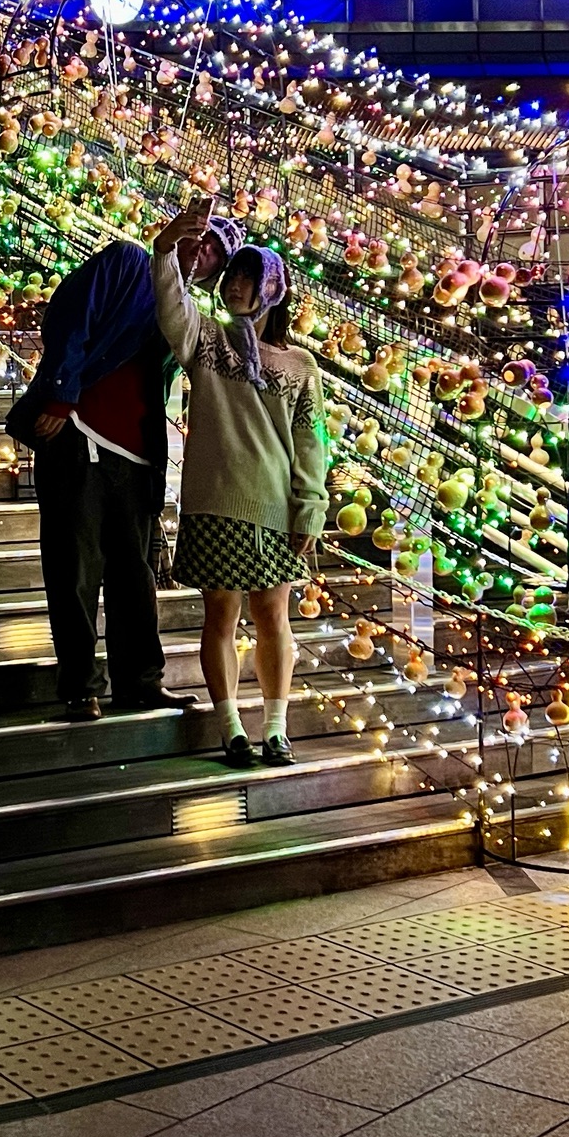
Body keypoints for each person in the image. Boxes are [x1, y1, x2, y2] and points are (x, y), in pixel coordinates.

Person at [7, 214, 243, 721]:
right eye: (202, 241)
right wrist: (61, 394)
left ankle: (140, 682)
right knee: (74, 567)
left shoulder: (184, 310)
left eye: (216, 256)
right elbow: (70, 317)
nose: (204, 254)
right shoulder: (129, 261)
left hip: (138, 455)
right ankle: (80, 686)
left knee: (135, 575)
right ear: (180, 233)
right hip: (79, 436)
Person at [153, 198, 328, 768]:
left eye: (250, 280)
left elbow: (311, 444)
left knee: (274, 615)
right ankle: (231, 728)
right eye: (233, 278)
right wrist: (166, 250)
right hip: (213, 503)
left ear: (271, 289)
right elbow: (172, 304)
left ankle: (276, 729)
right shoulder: (205, 340)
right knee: (221, 616)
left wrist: (311, 508)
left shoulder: (300, 365)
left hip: (275, 509)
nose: (236, 288)